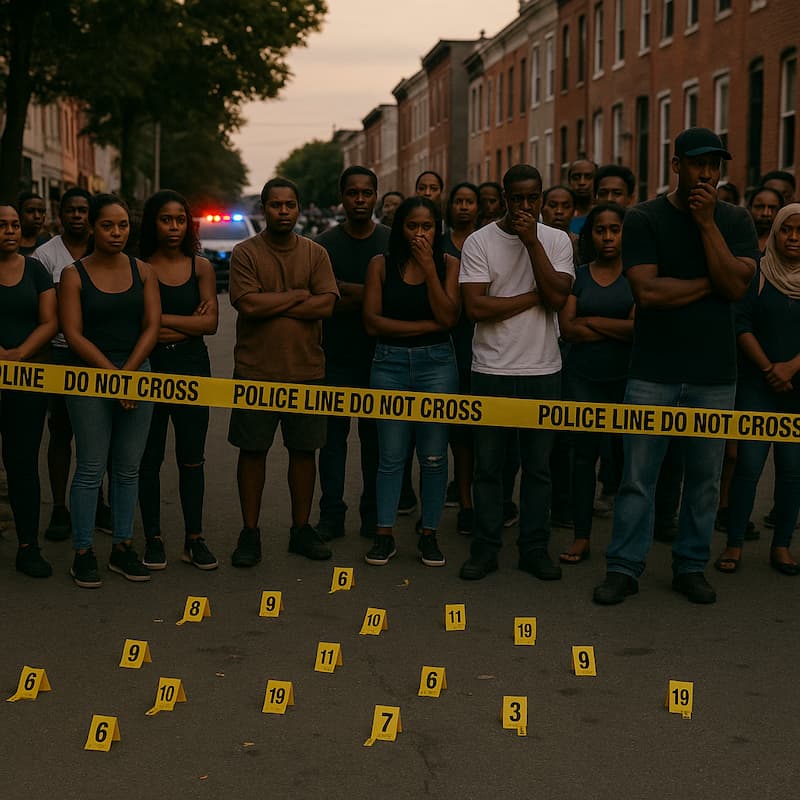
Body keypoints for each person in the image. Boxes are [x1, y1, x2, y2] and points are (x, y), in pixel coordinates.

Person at [592, 128, 758, 606]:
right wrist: (714, 283)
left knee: (704, 481)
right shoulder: (644, 217)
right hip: (652, 371)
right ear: (676, 165)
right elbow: (648, 292)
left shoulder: (735, 220)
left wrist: (707, 225)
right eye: (698, 163)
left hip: (714, 374)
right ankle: (624, 568)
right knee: (637, 478)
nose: (707, 173)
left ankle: (690, 566)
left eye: (714, 165)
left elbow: (738, 289)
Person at [459, 164, 575, 582]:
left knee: (538, 468)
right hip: (491, 368)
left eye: (533, 198)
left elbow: (558, 298)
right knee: (489, 467)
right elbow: (476, 308)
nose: (526, 206)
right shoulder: (480, 241)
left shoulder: (556, 240)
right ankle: (485, 548)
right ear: (504, 198)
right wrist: (532, 297)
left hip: (542, 369)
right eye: (517, 198)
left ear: (541, 197)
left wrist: (531, 243)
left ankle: (534, 549)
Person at [227, 178, 338, 567]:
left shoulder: (315, 253)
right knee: (252, 451)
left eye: (290, 204)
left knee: (304, 452)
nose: (283, 211)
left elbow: (325, 305)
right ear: (263, 209)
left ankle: (301, 529)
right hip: (255, 371)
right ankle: (250, 533)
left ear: (299, 208)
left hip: (307, 370)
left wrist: (272, 302)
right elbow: (248, 305)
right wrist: (296, 296)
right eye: (276, 205)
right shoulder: (245, 253)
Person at [59, 194, 161, 587]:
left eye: (122, 225)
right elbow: (72, 334)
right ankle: (83, 552)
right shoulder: (73, 274)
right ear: (92, 228)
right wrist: (114, 378)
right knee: (90, 467)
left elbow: (152, 326)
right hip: (89, 376)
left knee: (127, 467)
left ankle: (123, 546)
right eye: (107, 226)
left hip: (137, 372)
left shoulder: (144, 271)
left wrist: (129, 375)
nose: (116, 233)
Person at [362, 196, 460, 567]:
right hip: (389, 364)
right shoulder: (380, 264)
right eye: (412, 226)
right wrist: (425, 327)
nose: (420, 234)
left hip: (437, 366)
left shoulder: (449, 264)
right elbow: (372, 322)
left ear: (438, 230)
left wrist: (429, 270)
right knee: (391, 455)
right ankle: (384, 533)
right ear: (400, 229)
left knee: (434, 456)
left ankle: (429, 534)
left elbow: (449, 317)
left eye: (427, 227)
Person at [714, 204, 800, 576]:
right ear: (776, 233)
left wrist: (791, 367)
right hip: (757, 386)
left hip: (797, 390)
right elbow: (741, 324)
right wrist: (769, 368)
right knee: (747, 466)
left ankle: (782, 546)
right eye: (786, 230)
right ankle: (734, 543)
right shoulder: (759, 273)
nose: (793, 238)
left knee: (792, 471)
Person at [136, 190, 219, 571]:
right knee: (149, 457)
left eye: (180, 220)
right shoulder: (138, 267)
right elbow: (137, 324)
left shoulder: (200, 267)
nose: (174, 227)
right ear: (153, 223)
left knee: (192, 457)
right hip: (150, 366)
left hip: (192, 366)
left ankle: (194, 539)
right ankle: (153, 538)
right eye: (166, 219)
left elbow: (210, 323)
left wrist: (159, 322)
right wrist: (187, 324)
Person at [315, 167, 389, 541]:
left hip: (383, 359)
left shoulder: (391, 241)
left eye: (367, 192)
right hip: (335, 358)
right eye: (353, 193)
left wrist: (347, 289)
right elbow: (324, 301)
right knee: (331, 443)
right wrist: (374, 292)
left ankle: (373, 513)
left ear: (376, 195)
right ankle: (332, 514)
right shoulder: (323, 245)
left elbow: (397, 299)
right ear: (342, 197)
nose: (360, 199)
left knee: (377, 444)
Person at [558, 204, 633, 563]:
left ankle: (626, 541)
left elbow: (637, 330)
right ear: (590, 235)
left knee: (628, 460)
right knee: (583, 458)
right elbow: (567, 329)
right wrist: (613, 328)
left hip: (626, 379)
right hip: (582, 377)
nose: (607, 237)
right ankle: (582, 536)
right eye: (600, 230)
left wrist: (590, 320)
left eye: (615, 229)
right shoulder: (579, 276)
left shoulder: (636, 276)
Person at [33, 188, 101, 542]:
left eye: (83, 210)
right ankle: (60, 507)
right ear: (60, 215)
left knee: (100, 434)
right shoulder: (45, 255)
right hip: (60, 354)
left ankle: (98, 501)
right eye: (71, 210)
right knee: (61, 433)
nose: (77, 216)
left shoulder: (103, 247)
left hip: (101, 354)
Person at [0, 202, 58, 577]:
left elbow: (50, 321)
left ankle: (28, 547)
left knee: (22, 464)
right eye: (2, 225)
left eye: (14, 225)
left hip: (26, 381)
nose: (10, 231)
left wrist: (19, 354)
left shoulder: (36, 270)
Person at [443, 182, 480, 534]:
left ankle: (477, 501)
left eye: (470, 201)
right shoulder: (439, 244)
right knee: (450, 430)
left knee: (476, 432)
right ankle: (459, 499)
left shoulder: (487, 242)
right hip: (444, 341)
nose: (464, 207)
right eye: (459, 200)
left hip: (481, 342)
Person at [747, 186, 783, 252]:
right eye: (759, 207)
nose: (765, 213)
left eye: (772, 208)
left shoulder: (784, 242)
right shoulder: (737, 237)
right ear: (749, 208)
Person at [567, 160, 597, 234]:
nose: (582, 182)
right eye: (576, 177)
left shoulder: (603, 214)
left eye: (588, 177)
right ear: (569, 181)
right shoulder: (561, 214)